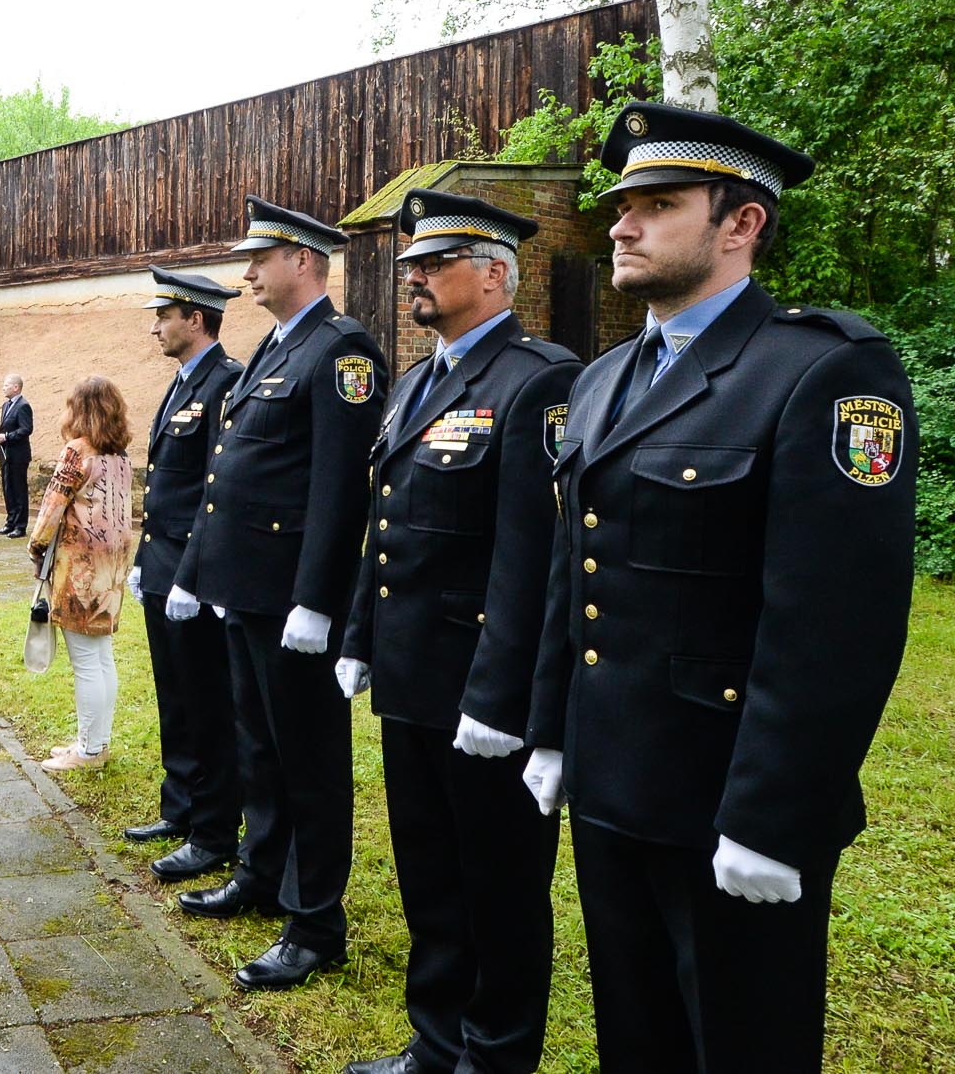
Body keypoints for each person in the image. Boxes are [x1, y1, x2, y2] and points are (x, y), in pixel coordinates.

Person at [521, 103, 916, 1074]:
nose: (619, 223)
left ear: (739, 224)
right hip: (612, 779)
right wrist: (547, 727)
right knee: (636, 1038)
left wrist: (769, 820)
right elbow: (572, 569)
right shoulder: (606, 377)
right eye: (620, 205)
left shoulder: (822, 369)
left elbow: (834, 622)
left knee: (743, 1044)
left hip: (724, 802)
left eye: (655, 204)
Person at [334, 191, 582, 1074]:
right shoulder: (414, 381)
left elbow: (535, 555)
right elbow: (388, 518)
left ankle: (496, 1054)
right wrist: (360, 634)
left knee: (501, 887)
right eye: (411, 266)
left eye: (434, 264)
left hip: (485, 689)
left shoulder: (538, 378)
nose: (414, 277)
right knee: (432, 879)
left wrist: (499, 694)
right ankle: (436, 1044)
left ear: (493, 273)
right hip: (412, 678)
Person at [166, 196, 387, 991]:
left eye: (261, 258)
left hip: (293, 599)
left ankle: (315, 918)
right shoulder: (270, 348)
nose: (248, 272)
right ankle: (262, 872)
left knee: (309, 759)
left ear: (305, 261)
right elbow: (229, 474)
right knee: (258, 744)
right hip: (245, 590)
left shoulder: (341, 350)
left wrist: (317, 599)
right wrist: (200, 575)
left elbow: (339, 488)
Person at [124, 266, 246, 885]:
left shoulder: (227, 383)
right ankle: (181, 807)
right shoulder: (182, 383)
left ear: (195, 319)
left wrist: (193, 574)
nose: (155, 329)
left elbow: (214, 493)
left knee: (207, 700)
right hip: (162, 560)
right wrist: (148, 561)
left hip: (192, 570)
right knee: (175, 691)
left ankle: (213, 828)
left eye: (163, 317)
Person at [28, 377, 134, 773]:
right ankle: (95, 741)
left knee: (87, 663)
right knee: (101, 658)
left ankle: (89, 751)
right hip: (111, 569)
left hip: (79, 571)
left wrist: (36, 547)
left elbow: (51, 509)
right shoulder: (120, 455)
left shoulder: (77, 451)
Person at [0, 373, 33, 538]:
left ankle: (20, 526)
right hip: (6, 454)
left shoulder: (23, 405)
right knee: (8, 489)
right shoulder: (6, 405)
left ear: (16, 387)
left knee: (19, 490)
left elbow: (26, 429)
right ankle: (10, 522)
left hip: (19, 455)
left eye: (6, 385)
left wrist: (6, 436)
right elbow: (7, 426)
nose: (3, 387)